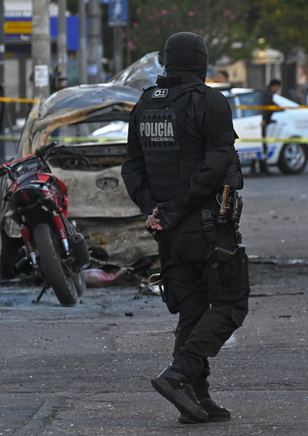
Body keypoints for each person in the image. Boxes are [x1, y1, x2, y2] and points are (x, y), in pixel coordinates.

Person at [121, 32, 249, 424]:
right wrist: (173, 211)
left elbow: (132, 166)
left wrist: (153, 210)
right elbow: (217, 162)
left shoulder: (145, 104)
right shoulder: (208, 101)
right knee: (230, 305)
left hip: (169, 229)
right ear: (201, 62)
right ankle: (178, 376)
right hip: (204, 225)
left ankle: (196, 398)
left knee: (192, 311)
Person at [255, 79, 281, 175]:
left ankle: (256, 168)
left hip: (262, 121)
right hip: (261, 123)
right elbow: (265, 107)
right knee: (262, 146)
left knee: (260, 145)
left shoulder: (266, 92)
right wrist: (264, 119)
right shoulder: (267, 94)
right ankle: (262, 168)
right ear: (274, 86)